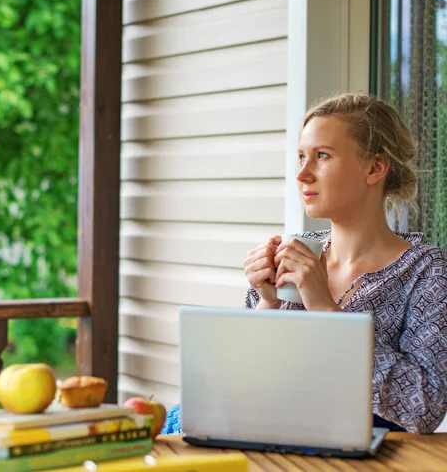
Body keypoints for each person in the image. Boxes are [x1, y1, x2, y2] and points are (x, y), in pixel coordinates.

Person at [162, 93, 447, 435]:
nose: (302, 174)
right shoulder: (293, 253)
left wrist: (325, 312)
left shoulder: (426, 272)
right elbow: (239, 385)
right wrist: (267, 303)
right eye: (301, 157)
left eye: (321, 156)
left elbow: (424, 406)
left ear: (375, 168)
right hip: (261, 441)